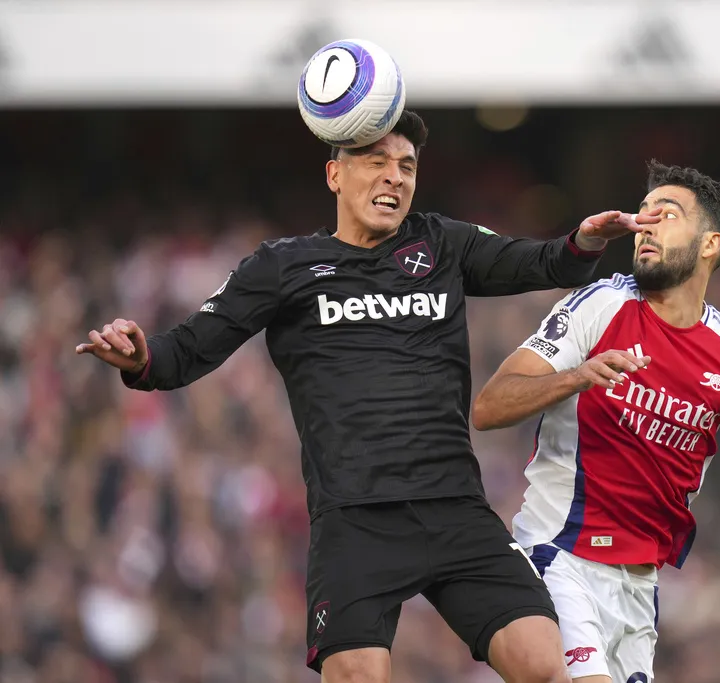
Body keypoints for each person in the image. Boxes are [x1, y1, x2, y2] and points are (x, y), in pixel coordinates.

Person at [74, 110, 663, 683]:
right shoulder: (282, 266)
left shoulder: (441, 243)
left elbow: (541, 262)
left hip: (454, 508)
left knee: (543, 664)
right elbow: (187, 349)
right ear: (336, 174)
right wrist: (141, 357)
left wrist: (583, 240)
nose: (395, 177)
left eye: (407, 166)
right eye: (377, 162)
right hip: (356, 522)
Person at [471, 160, 720, 682]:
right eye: (642, 214)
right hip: (559, 557)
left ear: (710, 244)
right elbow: (489, 407)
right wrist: (576, 377)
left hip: (639, 591)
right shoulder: (602, 305)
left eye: (665, 215)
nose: (645, 226)